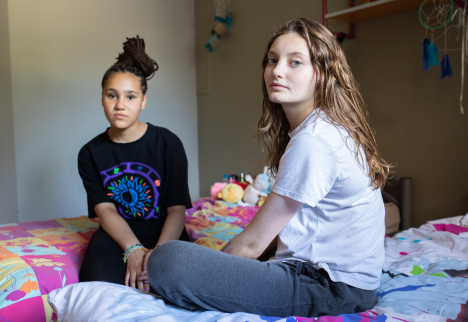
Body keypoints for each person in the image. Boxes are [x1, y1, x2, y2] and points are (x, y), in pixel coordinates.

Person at [146, 17, 390, 317]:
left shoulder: (313, 142)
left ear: (322, 73)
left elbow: (251, 245)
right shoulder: (326, 127)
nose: (277, 71)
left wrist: (212, 271)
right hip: (342, 281)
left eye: (295, 62)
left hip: (328, 287)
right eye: (272, 60)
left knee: (167, 260)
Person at [78, 36, 191, 293]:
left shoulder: (168, 143)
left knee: (174, 287)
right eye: (111, 95)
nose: (120, 105)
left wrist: (156, 257)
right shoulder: (89, 153)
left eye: (130, 97)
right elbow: (106, 210)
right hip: (118, 233)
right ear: (102, 98)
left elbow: (176, 211)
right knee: (95, 286)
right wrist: (133, 249)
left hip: (165, 232)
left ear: (143, 101)